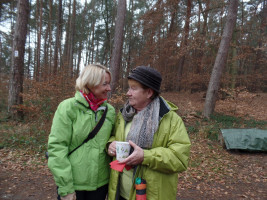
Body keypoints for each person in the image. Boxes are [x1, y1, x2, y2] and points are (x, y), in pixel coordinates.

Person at [107, 66, 191, 200]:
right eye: (129, 88)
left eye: (133, 88)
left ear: (149, 93)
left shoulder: (170, 120)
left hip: (151, 194)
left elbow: (179, 159)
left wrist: (145, 156)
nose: (128, 93)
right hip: (120, 192)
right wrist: (111, 144)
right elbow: (114, 136)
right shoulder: (124, 115)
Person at [47, 64, 116, 200]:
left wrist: (111, 143)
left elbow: (113, 137)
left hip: (100, 184)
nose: (109, 88)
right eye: (105, 84)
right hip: (73, 184)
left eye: (109, 84)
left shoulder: (110, 111)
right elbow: (57, 148)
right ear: (91, 83)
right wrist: (66, 188)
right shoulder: (68, 108)